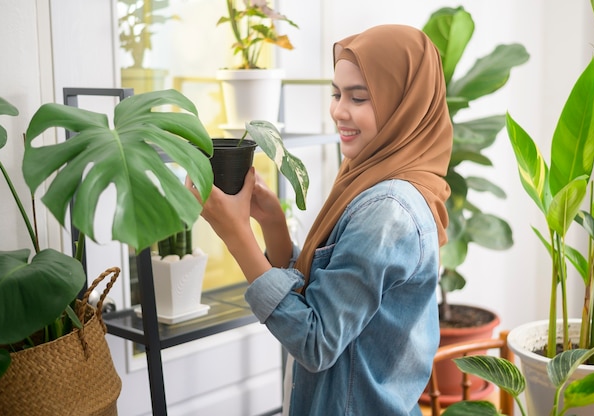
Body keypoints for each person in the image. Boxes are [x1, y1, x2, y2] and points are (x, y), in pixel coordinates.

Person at [187, 24, 452, 416]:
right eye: (336, 93)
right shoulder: (373, 178)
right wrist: (272, 223)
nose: (339, 111)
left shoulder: (388, 210)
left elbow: (316, 341)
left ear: (403, 106)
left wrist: (235, 235)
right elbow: (324, 297)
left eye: (359, 97)